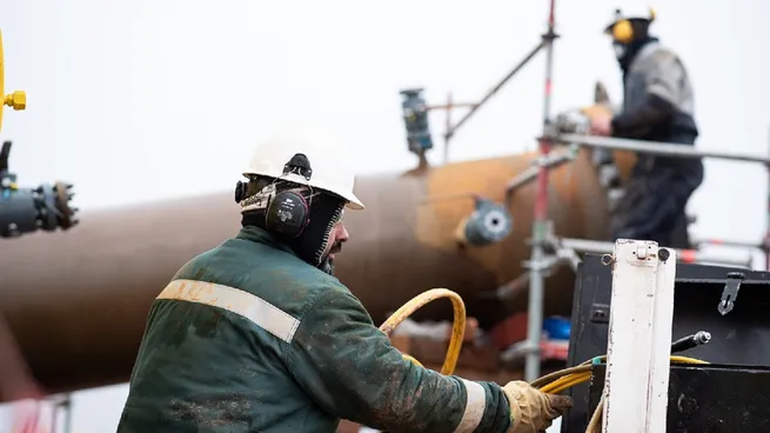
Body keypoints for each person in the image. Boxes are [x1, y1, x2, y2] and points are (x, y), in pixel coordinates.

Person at [116, 128, 571, 432]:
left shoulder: (189, 276)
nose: (343, 234)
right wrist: (507, 409)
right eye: (335, 217)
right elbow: (408, 398)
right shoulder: (313, 301)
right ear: (297, 213)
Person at [590, 4, 704, 249]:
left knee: (635, 235)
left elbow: (661, 104)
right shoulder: (639, 66)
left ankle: (644, 286)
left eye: (619, 32)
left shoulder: (657, 57)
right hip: (657, 160)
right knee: (642, 233)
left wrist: (615, 124)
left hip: (671, 158)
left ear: (635, 28)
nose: (616, 43)